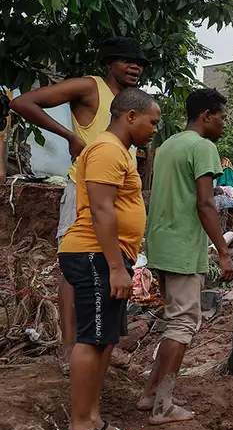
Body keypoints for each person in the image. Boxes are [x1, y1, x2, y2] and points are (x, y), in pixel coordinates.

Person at [10, 37, 148, 373]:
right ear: (108, 63)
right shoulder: (89, 87)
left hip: (115, 191)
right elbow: (24, 102)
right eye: (126, 61)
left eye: (140, 63)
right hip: (86, 191)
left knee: (112, 269)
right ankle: (69, 348)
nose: (135, 67)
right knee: (78, 270)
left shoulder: (129, 103)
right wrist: (70, 136)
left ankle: (102, 342)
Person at [55, 88, 160, 430]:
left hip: (108, 258)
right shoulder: (106, 150)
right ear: (130, 116)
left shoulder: (121, 152)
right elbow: (101, 210)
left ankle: (93, 419)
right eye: (153, 121)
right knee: (92, 339)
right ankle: (78, 427)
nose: (154, 129)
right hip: (93, 256)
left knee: (104, 341)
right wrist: (117, 268)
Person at [139, 88, 233, 425]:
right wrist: (223, 252)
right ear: (206, 115)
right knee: (182, 325)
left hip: (160, 244)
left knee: (172, 321)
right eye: (222, 117)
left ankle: (150, 393)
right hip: (182, 247)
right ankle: (162, 406)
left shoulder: (167, 146)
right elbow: (205, 203)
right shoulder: (203, 147)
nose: (224, 124)